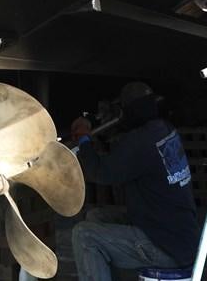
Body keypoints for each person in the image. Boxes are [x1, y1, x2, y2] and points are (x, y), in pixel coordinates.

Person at [70, 82, 199, 281]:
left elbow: (101, 172)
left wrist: (84, 140)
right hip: (179, 235)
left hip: (165, 248)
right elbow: (125, 155)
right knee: (96, 216)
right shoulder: (164, 129)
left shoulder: (139, 142)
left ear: (129, 111)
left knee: (84, 235)